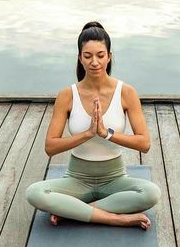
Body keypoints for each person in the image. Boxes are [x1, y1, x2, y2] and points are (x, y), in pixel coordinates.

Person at [25, 21, 159, 228]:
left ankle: (73, 211)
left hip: (115, 178)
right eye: (87, 56)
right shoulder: (67, 95)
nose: (94, 62)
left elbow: (144, 143)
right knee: (34, 192)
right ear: (79, 58)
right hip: (77, 178)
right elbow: (50, 147)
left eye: (100, 55)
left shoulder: (126, 92)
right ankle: (116, 218)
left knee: (151, 193)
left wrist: (106, 133)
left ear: (109, 57)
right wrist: (87, 133)